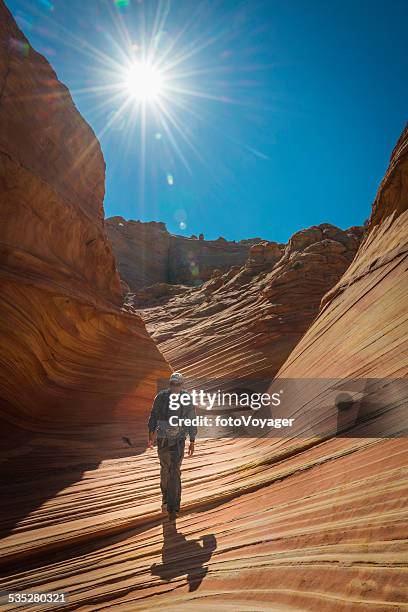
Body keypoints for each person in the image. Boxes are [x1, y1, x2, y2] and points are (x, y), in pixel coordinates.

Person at [147, 372, 197, 521]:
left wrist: (192, 440)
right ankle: (170, 504)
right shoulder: (181, 398)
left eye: (177, 384)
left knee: (170, 471)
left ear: (181, 385)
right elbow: (154, 416)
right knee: (170, 471)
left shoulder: (162, 397)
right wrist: (150, 436)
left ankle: (171, 506)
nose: (175, 387)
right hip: (169, 440)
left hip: (172, 440)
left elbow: (191, 419)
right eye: (173, 384)